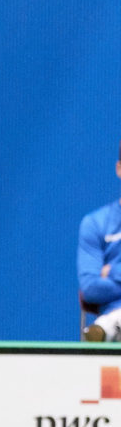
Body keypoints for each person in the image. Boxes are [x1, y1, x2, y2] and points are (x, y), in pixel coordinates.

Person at [79, 143, 121, 341]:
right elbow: (90, 289)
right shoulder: (95, 223)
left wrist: (112, 271)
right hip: (114, 329)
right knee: (105, 329)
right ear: (119, 169)